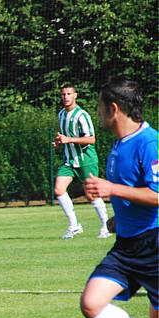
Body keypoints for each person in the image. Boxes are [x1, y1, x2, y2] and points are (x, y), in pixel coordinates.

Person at [80, 78, 158, 318]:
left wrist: (111, 189)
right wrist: (117, 217)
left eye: (99, 106)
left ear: (113, 108)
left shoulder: (149, 142)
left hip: (154, 244)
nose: (97, 112)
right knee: (91, 304)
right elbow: (134, 194)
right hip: (127, 246)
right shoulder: (118, 145)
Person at [53, 83, 110, 239]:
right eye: (63, 94)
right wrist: (59, 143)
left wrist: (68, 139)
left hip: (85, 160)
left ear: (75, 95)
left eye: (69, 94)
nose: (66, 97)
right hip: (69, 161)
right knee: (58, 189)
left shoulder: (82, 115)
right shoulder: (61, 114)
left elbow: (91, 139)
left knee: (91, 194)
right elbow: (65, 137)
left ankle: (105, 225)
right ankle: (74, 225)